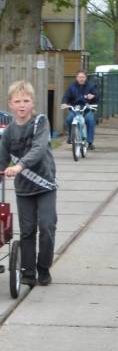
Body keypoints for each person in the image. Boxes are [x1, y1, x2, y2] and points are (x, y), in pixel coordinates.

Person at [0, 80, 57, 287]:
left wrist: (19, 166)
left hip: (45, 185)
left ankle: (43, 268)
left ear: (32, 103)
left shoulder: (40, 122)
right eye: (17, 101)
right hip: (24, 189)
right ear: (10, 105)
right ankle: (28, 271)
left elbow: (39, 149)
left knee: (47, 226)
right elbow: (2, 158)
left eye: (26, 100)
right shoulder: (8, 133)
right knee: (27, 230)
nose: (22, 105)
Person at [62, 70, 97, 150]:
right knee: (69, 119)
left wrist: (93, 96)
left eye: (83, 77)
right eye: (79, 77)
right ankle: (71, 137)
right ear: (76, 78)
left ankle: (90, 142)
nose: (81, 79)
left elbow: (96, 95)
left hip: (87, 108)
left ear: (86, 78)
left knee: (90, 120)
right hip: (75, 108)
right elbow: (66, 96)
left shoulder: (91, 86)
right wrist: (64, 103)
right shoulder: (71, 87)